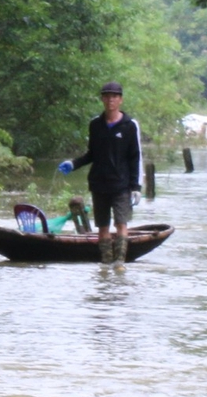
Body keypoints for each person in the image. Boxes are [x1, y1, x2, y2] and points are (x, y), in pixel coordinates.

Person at [57, 81, 143, 267]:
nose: (110, 100)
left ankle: (119, 263)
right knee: (102, 226)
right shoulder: (95, 125)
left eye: (114, 96)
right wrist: (73, 163)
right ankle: (105, 263)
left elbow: (134, 158)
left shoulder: (129, 126)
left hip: (121, 184)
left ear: (120, 100)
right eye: (106, 96)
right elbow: (92, 154)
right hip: (99, 184)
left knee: (121, 224)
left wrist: (135, 187)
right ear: (102, 99)